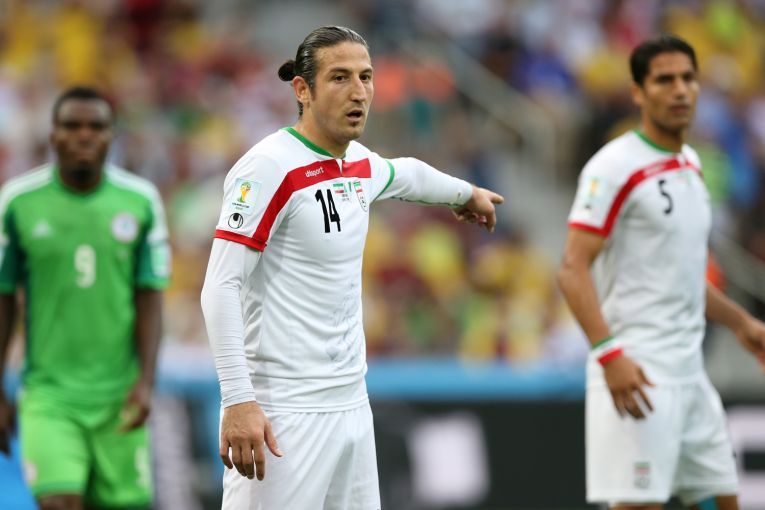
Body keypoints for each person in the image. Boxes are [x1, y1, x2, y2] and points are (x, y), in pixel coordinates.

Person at [200, 25, 503, 510]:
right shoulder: (269, 168)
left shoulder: (357, 163)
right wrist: (237, 399)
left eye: (366, 76)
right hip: (284, 410)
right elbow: (220, 286)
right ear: (303, 90)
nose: (359, 91)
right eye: (340, 77)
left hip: (350, 405)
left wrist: (466, 194)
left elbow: (407, 174)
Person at [557, 35, 765, 510]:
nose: (680, 90)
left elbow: (684, 274)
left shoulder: (691, 163)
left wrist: (742, 324)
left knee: (723, 500)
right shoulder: (614, 166)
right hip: (638, 371)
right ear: (638, 91)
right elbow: (571, 269)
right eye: (664, 80)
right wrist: (609, 355)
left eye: (688, 79)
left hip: (690, 374)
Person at [0, 86, 171, 510]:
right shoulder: (19, 202)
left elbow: (150, 298)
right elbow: (3, 298)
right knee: (59, 500)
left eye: (95, 126)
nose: (83, 135)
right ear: (52, 135)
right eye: (71, 125)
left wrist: (146, 383)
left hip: (119, 397)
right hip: (49, 395)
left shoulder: (140, 200)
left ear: (111, 135)